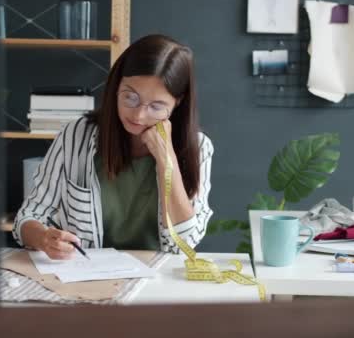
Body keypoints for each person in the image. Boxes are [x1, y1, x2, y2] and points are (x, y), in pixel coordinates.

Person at [12, 34, 214, 259]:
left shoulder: (198, 148)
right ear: (116, 85)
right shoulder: (76, 135)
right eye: (130, 98)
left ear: (178, 102)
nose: (138, 115)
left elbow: (184, 245)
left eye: (156, 106)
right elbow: (28, 216)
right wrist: (44, 238)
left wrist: (167, 159)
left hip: (156, 280)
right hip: (84, 274)